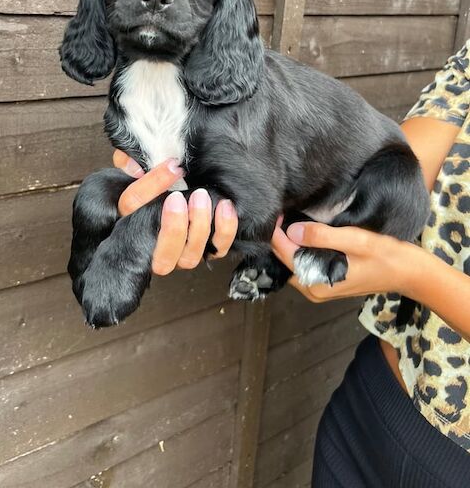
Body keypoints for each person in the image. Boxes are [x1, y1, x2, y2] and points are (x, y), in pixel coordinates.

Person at [113, 43, 470, 486]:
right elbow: (405, 159)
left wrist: (410, 272)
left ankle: (275, 260)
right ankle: (276, 256)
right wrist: (236, 164)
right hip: (377, 392)